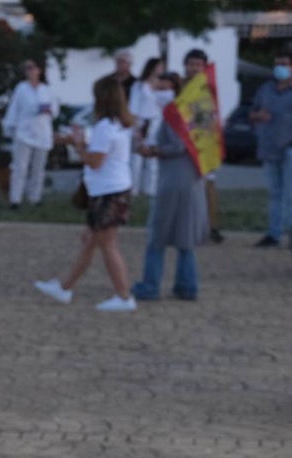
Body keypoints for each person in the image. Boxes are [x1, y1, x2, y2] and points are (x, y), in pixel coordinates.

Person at [34, 76, 137, 312]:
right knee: (90, 241)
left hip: (107, 192)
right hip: (116, 188)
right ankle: (65, 287)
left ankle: (123, 296)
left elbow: (95, 162)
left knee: (107, 244)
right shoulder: (119, 124)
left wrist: (78, 145)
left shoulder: (104, 127)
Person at [131, 72, 207, 303]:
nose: (158, 91)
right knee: (185, 237)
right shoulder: (192, 110)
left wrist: (153, 151)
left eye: (163, 87)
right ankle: (187, 286)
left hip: (173, 179)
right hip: (190, 178)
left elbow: (176, 146)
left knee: (158, 236)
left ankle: (150, 285)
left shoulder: (174, 113)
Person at [1, 58, 58, 209]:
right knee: (20, 167)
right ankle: (15, 199)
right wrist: (9, 126)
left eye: (33, 68)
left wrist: (48, 110)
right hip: (24, 133)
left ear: (39, 70)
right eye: (27, 68)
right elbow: (14, 108)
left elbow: (55, 109)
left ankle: (35, 197)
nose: (30, 71)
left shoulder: (46, 89)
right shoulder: (21, 88)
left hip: (42, 133)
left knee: (38, 168)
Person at [249, 50, 292, 248]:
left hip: (289, 146)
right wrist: (258, 116)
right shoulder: (265, 89)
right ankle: (273, 233)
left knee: (290, 193)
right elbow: (252, 111)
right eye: (277, 64)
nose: (280, 68)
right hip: (269, 146)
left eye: (284, 63)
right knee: (275, 192)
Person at [184, 48, 223, 244]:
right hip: (184, 143)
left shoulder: (208, 88)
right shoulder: (179, 87)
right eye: (191, 64)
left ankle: (212, 226)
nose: (194, 68)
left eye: (198, 65)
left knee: (208, 185)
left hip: (204, 141)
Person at [128, 57, 164, 197]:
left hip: (157, 122)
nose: (161, 69)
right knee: (137, 158)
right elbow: (134, 107)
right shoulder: (139, 85)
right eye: (159, 66)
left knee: (153, 158)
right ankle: (133, 188)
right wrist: (136, 126)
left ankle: (151, 188)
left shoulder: (162, 85)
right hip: (142, 122)